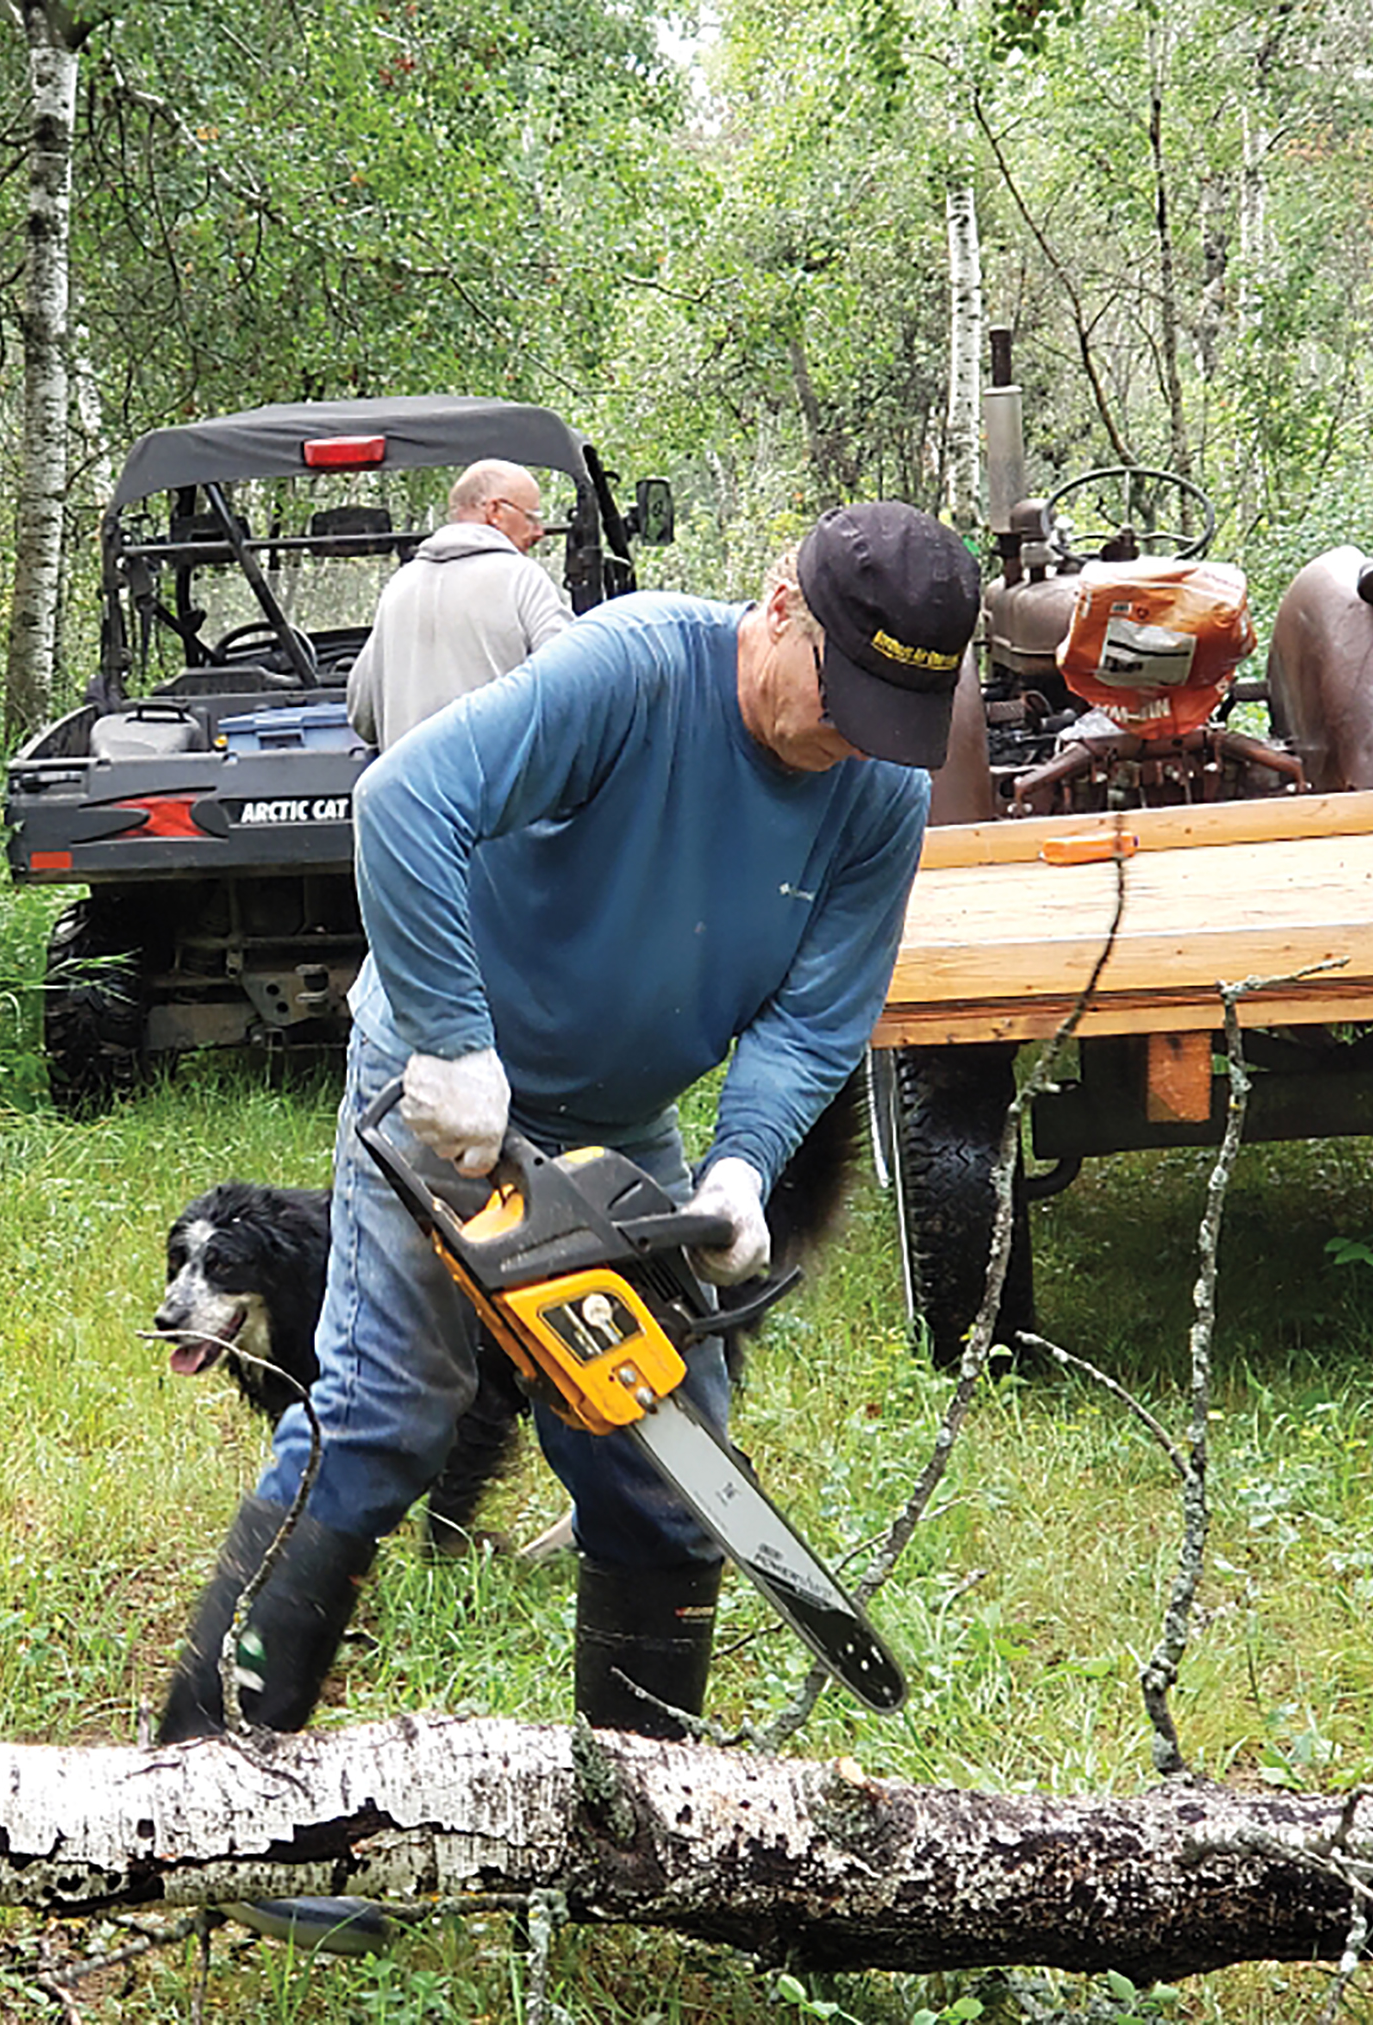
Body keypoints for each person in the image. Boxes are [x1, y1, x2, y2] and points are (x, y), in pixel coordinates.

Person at [153, 502, 980, 1952]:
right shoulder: (631, 671)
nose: (847, 740)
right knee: (382, 1418)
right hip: (443, 1075)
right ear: (779, 602)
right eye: (837, 699)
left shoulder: (879, 793)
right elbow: (410, 803)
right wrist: (459, 1044)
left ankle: (627, 1829)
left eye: (884, 719)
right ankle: (212, 1772)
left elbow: (814, 1016)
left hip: (622, 1122)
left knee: (669, 1469)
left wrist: (739, 1169)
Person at [345, 458, 572, 748]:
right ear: (495, 511)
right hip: (498, 790)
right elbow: (568, 687)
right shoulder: (522, 580)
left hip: (410, 789)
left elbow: (362, 715)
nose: (539, 531)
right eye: (532, 517)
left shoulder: (400, 585)